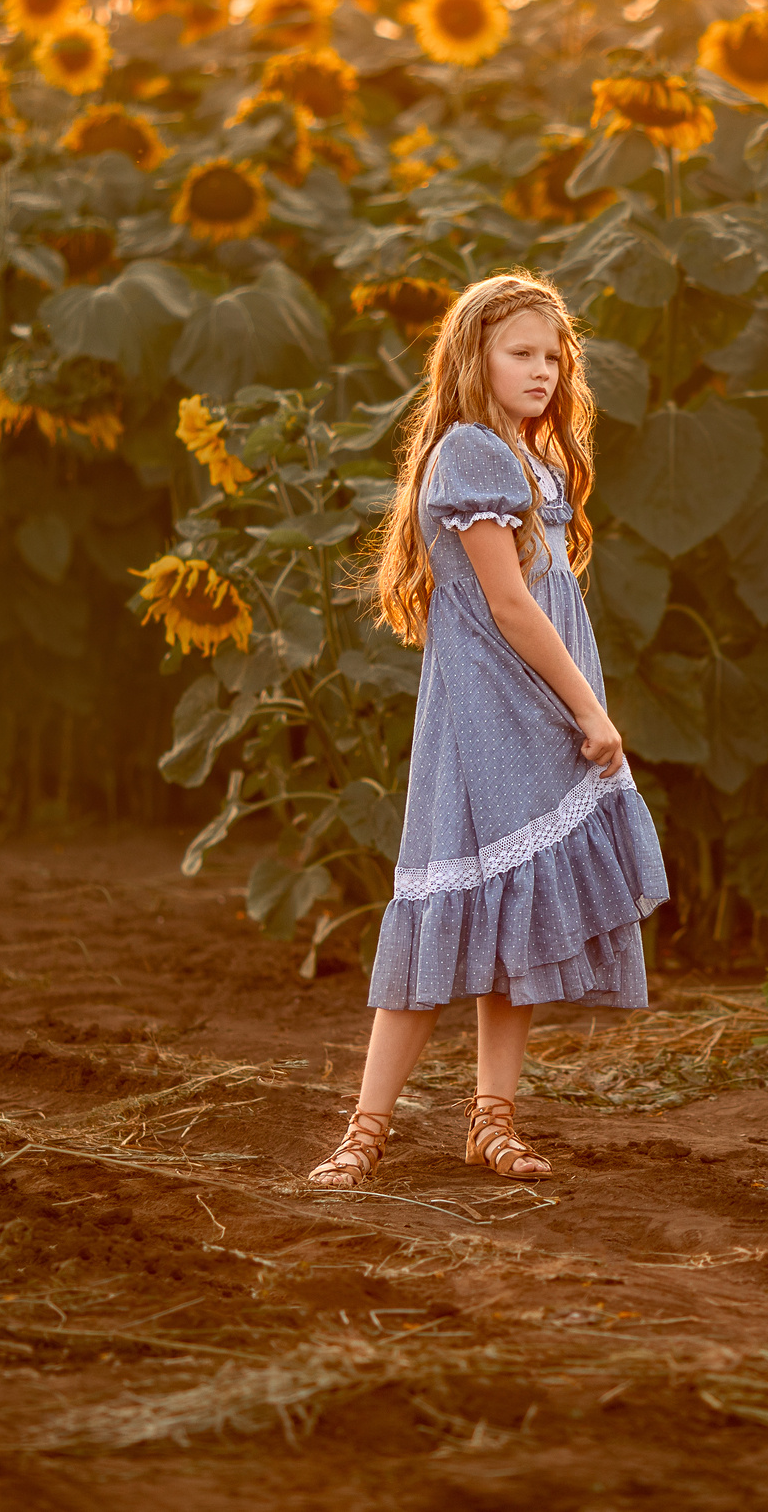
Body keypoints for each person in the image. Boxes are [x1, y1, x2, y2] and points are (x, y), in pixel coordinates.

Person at [307, 271, 669, 1188]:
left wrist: (575, 702)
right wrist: (591, 707)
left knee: (515, 915)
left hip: (533, 710)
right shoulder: (471, 452)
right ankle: (364, 1132)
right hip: (489, 716)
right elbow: (509, 604)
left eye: (553, 356)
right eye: (521, 353)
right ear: (475, 359)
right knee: (440, 904)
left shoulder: (526, 455)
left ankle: (492, 1121)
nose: (542, 370)